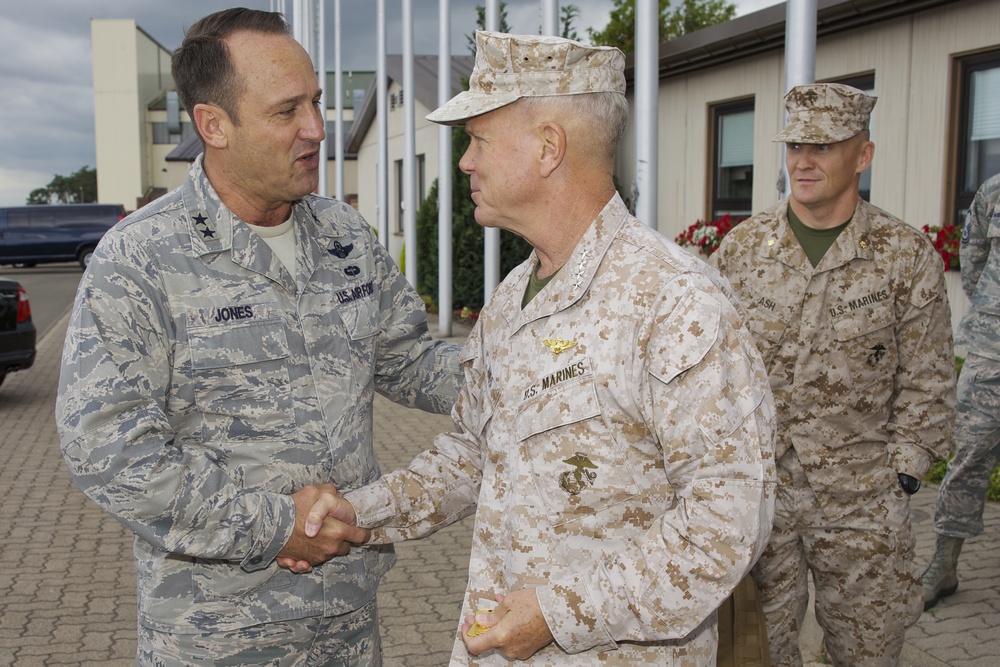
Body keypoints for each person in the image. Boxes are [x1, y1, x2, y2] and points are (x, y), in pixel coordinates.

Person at [292, 30, 777, 665]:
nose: (465, 161)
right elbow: (471, 454)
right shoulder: (515, 295)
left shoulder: (674, 302)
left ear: (549, 147)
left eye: (480, 140)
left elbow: (727, 522)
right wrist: (359, 511)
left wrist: (558, 614)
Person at [55, 8, 462, 665]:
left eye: (318, 103)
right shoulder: (140, 259)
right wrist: (274, 527)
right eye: (286, 111)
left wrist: (542, 370)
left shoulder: (343, 236)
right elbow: (109, 448)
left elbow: (411, 359)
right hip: (220, 633)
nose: (316, 129)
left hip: (348, 619)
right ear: (214, 125)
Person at [710, 83, 956, 666]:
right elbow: (706, 369)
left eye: (823, 145)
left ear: (862, 155)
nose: (804, 160)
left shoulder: (904, 255)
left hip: (862, 507)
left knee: (866, 655)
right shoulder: (742, 251)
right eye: (796, 143)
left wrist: (901, 477)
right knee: (757, 656)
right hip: (762, 501)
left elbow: (930, 380)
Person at [922, 172, 1000, 610]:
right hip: (993, 353)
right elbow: (972, 262)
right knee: (968, 456)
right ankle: (944, 564)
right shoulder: (994, 192)